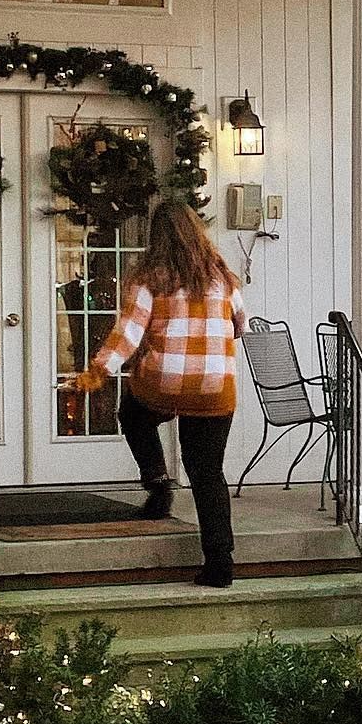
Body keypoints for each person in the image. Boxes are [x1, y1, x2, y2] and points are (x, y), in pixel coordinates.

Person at [74, 201, 246, 586]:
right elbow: (240, 326)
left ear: (157, 237)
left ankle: (157, 482)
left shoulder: (150, 279)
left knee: (134, 413)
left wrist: (98, 370)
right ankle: (220, 564)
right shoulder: (222, 277)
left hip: (164, 383)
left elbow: (128, 335)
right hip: (215, 389)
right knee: (207, 473)